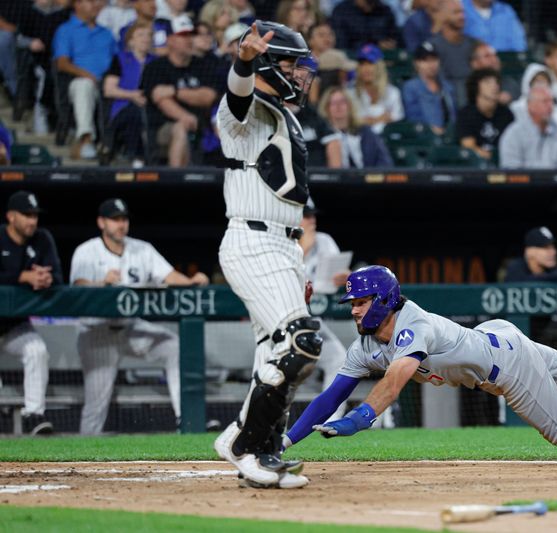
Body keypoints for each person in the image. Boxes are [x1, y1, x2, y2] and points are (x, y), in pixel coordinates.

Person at [281, 265, 557, 468]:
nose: (354, 311)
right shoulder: (364, 346)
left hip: (506, 365)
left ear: (386, 299)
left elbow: (393, 385)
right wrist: (285, 441)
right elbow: (328, 396)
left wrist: (357, 420)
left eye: (361, 302)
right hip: (496, 335)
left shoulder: (413, 324)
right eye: (352, 304)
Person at [212, 21, 323, 491]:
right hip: (252, 240)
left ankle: (258, 439)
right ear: (266, 64)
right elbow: (238, 93)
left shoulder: (286, 116)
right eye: (291, 64)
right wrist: (243, 60)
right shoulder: (242, 111)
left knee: (273, 353)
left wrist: (294, 265)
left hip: (282, 244)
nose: (300, 74)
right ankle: (247, 446)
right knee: (299, 343)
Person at [69, 198, 209, 436]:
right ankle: (82, 462)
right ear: (101, 222)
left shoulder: (141, 249)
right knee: (96, 405)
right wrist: (101, 283)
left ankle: (184, 420)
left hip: (131, 328)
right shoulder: (86, 251)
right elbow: (77, 287)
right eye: (115, 219)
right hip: (97, 332)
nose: (121, 224)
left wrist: (190, 281)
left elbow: (167, 275)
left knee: (174, 346)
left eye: (123, 219)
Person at [0, 191, 61, 435]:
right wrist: (22, 277)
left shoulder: (42, 239)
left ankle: (34, 416)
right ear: (11, 217)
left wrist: (46, 279)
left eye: (34, 215)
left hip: (15, 325)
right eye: (26, 215)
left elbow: (58, 276)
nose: (32, 221)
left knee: (37, 351)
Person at [140, 15, 220, 167]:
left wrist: (174, 91)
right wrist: (186, 117)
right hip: (162, 128)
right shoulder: (156, 67)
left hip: (203, 125)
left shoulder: (203, 65)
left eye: (191, 35)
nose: (189, 39)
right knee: (180, 127)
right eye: (183, 35)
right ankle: (176, 182)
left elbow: (209, 96)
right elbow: (161, 99)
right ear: (170, 40)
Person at [299, 199, 350, 420]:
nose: (312, 220)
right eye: (306, 215)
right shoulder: (279, 240)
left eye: (313, 215)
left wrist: (345, 276)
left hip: (309, 318)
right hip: (277, 319)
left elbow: (334, 274)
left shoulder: (324, 240)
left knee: (338, 358)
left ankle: (331, 421)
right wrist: (302, 249)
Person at [52, 0, 116, 160]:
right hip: (78, 82)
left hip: (108, 84)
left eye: (97, 2)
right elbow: (62, 63)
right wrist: (88, 75)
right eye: (90, 1)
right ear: (77, 4)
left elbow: (118, 62)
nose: (96, 5)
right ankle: (86, 139)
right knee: (84, 86)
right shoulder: (65, 30)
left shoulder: (106, 33)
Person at [102, 20, 156, 166]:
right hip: (123, 107)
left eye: (149, 35)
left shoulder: (157, 62)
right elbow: (109, 90)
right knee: (134, 114)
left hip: (150, 107)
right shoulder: (119, 59)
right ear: (131, 41)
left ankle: (136, 156)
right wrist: (133, 95)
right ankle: (135, 156)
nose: (146, 38)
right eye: (140, 35)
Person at [499, 86, 557, 169]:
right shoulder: (514, 134)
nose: (550, 106)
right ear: (530, 106)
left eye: (551, 102)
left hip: (553, 182)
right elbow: (511, 170)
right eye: (545, 101)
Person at [319, 86, 393, 168]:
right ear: (326, 108)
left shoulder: (365, 132)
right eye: (333, 103)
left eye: (342, 102)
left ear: (349, 105)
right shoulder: (322, 136)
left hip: (365, 177)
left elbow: (384, 160)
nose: (338, 106)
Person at [503, 226, 557, 293]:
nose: (553, 252)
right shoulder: (516, 267)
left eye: (553, 247)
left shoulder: (553, 270)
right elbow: (525, 282)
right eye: (545, 248)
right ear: (529, 251)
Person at [456, 68, 514, 162]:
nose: (494, 86)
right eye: (487, 82)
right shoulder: (466, 114)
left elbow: (513, 143)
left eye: (496, 82)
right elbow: (468, 146)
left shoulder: (506, 114)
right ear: (476, 87)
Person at [429, 0, 478, 108]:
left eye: (462, 12)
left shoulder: (473, 43)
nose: (462, 17)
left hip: (472, 92)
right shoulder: (433, 46)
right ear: (443, 16)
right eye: (456, 13)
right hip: (448, 96)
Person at [346, 44, 404, 135]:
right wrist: (378, 119)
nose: (366, 69)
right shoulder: (349, 92)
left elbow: (397, 122)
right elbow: (349, 122)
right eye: (362, 64)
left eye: (370, 63)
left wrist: (366, 121)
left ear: (379, 66)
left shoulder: (393, 92)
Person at [402, 42, 456, 135]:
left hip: (449, 135)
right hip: (424, 137)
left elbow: (453, 115)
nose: (431, 64)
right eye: (426, 60)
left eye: (434, 59)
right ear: (417, 63)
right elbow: (413, 117)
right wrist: (430, 129)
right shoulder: (411, 87)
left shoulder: (447, 87)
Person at [330, 0, 400, 51]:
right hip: (353, 60)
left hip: (384, 59)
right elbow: (341, 45)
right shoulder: (341, 11)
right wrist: (374, 46)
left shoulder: (385, 10)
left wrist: (391, 44)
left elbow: (396, 38)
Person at [462, 0, 526, 52]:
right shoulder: (460, 8)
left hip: (506, 61)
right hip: (469, 61)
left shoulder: (506, 10)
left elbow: (519, 45)